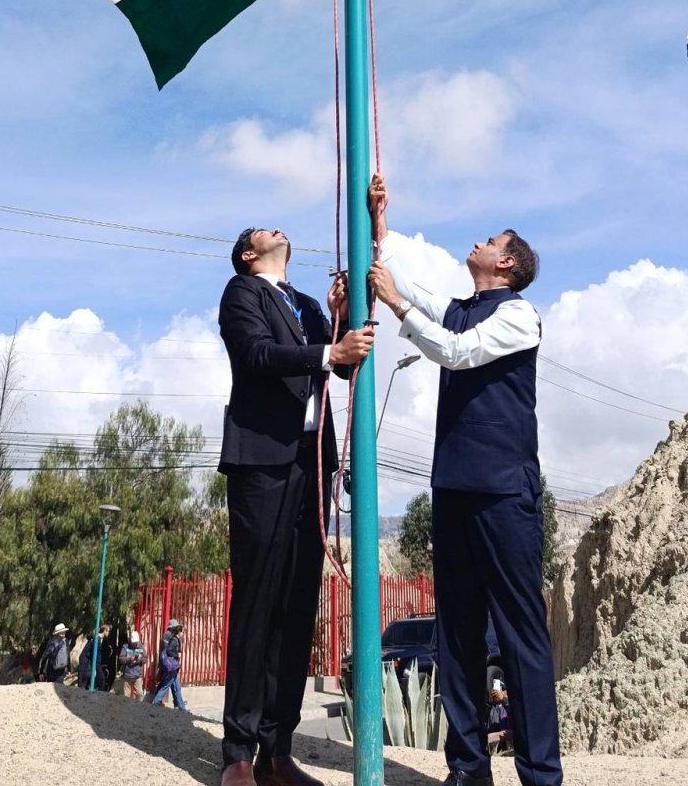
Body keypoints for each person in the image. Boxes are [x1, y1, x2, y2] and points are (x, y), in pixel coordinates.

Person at [367, 175, 561, 786]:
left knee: (520, 636)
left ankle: (539, 774)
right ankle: (468, 769)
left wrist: (396, 306)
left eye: (488, 239)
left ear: (506, 262)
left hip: (505, 496)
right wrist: (379, 224)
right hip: (452, 492)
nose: (475, 244)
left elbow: (454, 350)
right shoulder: (462, 307)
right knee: (455, 637)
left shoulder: (519, 316)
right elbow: (421, 290)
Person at [218, 226, 375, 786]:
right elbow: (258, 354)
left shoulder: (306, 305)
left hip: (311, 464)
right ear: (248, 253)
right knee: (258, 596)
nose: (278, 229)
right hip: (261, 462)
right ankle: (237, 749)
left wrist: (339, 315)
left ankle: (277, 748)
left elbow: (341, 355)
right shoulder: (243, 293)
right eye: (265, 230)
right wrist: (330, 347)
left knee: (297, 602)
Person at [150, 618, 187, 709]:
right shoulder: (169, 635)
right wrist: (177, 655)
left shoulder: (168, 635)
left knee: (176, 686)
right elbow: (169, 650)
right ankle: (155, 702)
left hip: (168, 664)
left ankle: (180, 705)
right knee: (167, 685)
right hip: (170, 664)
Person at [116, 629, 147, 698]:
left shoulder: (141, 647)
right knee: (126, 696)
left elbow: (145, 658)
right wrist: (130, 659)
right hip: (127, 676)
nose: (134, 644)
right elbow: (121, 658)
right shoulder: (125, 647)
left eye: (136, 643)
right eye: (133, 642)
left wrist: (140, 660)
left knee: (139, 694)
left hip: (137, 676)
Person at [79, 623, 110, 691]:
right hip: (92, 664)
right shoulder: (96, 639)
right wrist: (94, 668)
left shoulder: (97, 639)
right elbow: (93, 654)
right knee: (101, 680)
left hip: (94, 664)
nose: (109, 633)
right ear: (104, 630)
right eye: (108, 631)